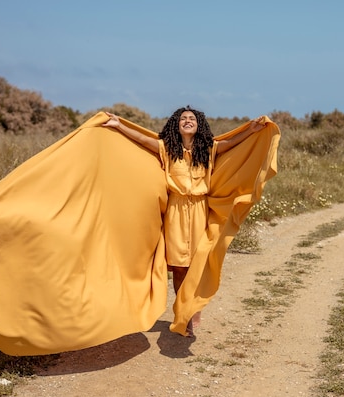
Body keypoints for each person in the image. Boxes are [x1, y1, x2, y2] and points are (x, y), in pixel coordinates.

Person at [103, 107, 266, 336]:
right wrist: (119, 125)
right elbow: (143, 139)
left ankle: (190, 309)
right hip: (176, 211)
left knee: (197, 264)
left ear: (199, 125)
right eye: (183, 119)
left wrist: (251, 129)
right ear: (176, 125)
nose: (187, 121)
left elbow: (231, 143)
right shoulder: (167, 148)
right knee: (179, 268)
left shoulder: (208, 149)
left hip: (200, 210)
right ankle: (182, 313)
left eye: (192, 119)